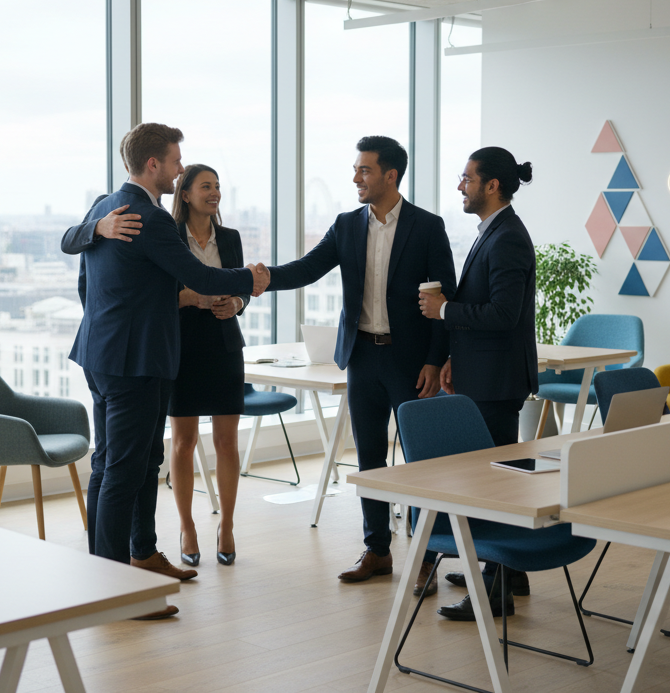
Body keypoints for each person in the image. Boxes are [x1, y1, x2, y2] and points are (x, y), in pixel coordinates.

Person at [63, 123, 269, 620]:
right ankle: (113, 591)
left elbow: (79, 259)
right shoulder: (150, 218)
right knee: (125, 470)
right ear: (153, 164)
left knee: (116, 461)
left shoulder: (104, 206)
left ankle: (139, 556)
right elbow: (198, 276)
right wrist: (253, 280)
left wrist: (96, 231)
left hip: (101, 352)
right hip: (135, 361)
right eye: (177, 161)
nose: (181, 168)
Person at [263, 135, 456, 585]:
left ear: (390, 175)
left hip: (411, 362)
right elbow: (308, 268)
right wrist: (260, 278)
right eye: (356, 169)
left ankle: (428, 554)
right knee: (368, 457)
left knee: (419, 461)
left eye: (364, 170)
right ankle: (377, 550)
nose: (355, 178)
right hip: (362, 357)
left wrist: (434, 359)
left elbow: (445, 298)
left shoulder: (428, 227)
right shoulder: (347, 225)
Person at [417, 146, 537, 621]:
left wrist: (444, 310)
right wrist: (452, 355)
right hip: (484, 373)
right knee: (495, 479)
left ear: (491, 185)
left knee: (492, 486)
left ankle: (495, 589)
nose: (460, 186)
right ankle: (508, 571)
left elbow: (504, 315)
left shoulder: (506, 237)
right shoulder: (495, 232)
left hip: (497, 379)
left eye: (466, 179)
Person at [166, 164, 249, 567]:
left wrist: (236, 303)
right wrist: (188, 298)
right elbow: (158, 294)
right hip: (181, 347)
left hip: (224, 345)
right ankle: (187, 526)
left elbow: (242, 288)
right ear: (185, 194)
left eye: (217, 186)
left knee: (226, 442)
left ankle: (227, 525)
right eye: (205, 186)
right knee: (183, 443)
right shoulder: (169, 236)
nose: (214, 192)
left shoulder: (230, 238)